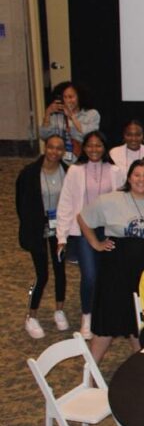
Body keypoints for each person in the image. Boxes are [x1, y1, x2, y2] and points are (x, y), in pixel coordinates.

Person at [78, 159, 144, 362]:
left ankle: (141, 370)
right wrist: (96, 244)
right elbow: (83, 218)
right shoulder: (110, 200)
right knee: (106, 324)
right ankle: (88, 375)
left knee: (139, 324)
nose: (141, 180)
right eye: (136, 175)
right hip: (116, 270)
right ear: (129, 177)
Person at [55, 130, 124, 339]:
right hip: (84, 229)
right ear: (84, 148)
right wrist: (61, 237)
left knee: (108, 276)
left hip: (109, 229)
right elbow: (66, 203)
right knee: (90, 276)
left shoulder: (115, 170)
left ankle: (106, 314)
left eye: (98, 145)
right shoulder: (75, 171)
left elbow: (122, 201)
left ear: (105, 148)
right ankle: (87, 315)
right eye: (90, 146)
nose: (94, 149)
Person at [17, 135, 69, 338]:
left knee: (60, 271)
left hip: (59, 230)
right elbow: (20, 204)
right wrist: (29, 226)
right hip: (37, 230)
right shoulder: (29, 173)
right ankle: (31, 315)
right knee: (42, 274)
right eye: (51, 148)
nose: (55, 152)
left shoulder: (68, 172)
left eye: (59, 149)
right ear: (45, 148)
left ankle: (59, 309)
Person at [39, 81, 100, 163]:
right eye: (65, 97)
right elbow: (44, 136)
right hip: (58, 153)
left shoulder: (91, 114)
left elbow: (88, 135)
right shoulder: (57, 115)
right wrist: (47, 114)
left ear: (79, 97)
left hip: (81, 153)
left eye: (71, 97)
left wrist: (72, 117)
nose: (68, 100)